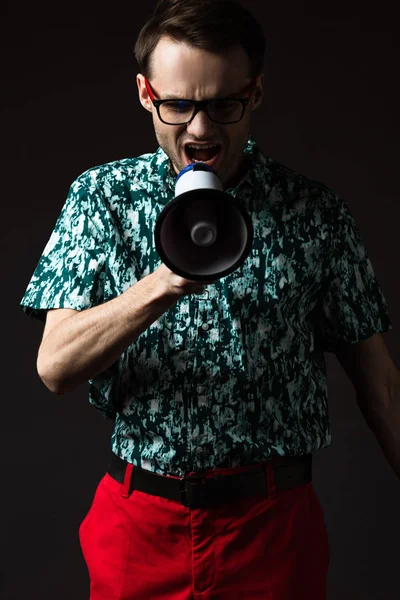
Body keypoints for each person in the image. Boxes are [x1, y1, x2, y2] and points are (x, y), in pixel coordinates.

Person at [20, 0, 397, 598]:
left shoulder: (317, 214)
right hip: (139, 528)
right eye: (178, 104)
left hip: (274, 531)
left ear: (256, 92)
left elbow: (380, 385)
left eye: (223, 103)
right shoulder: (101, 198)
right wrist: (165, 281)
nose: (200, 129)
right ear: (146, 93)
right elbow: (55, 366)